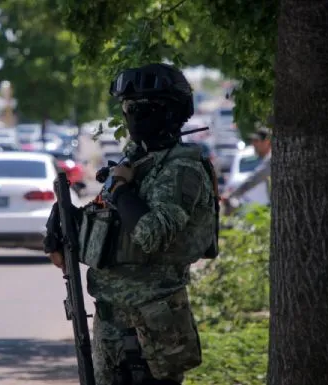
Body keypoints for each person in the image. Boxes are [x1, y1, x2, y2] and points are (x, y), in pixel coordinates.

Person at [44, 63, 217, 385]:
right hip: (110, 318)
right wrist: (65, 223)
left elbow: (152, 233)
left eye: (146, 108)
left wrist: (121, 189)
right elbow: (111, 227)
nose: (135, 116)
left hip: (153, 324)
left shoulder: (180, 170)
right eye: (129, 107)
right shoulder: (137, 161)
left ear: (172, 112)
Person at [220, 126, 272, 210]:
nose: (253, 144)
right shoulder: (267, 159)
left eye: (256, 141)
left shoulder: (273, 160)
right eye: (252, 141)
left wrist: (232, 194)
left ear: (267, 142)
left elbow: (255, 178)